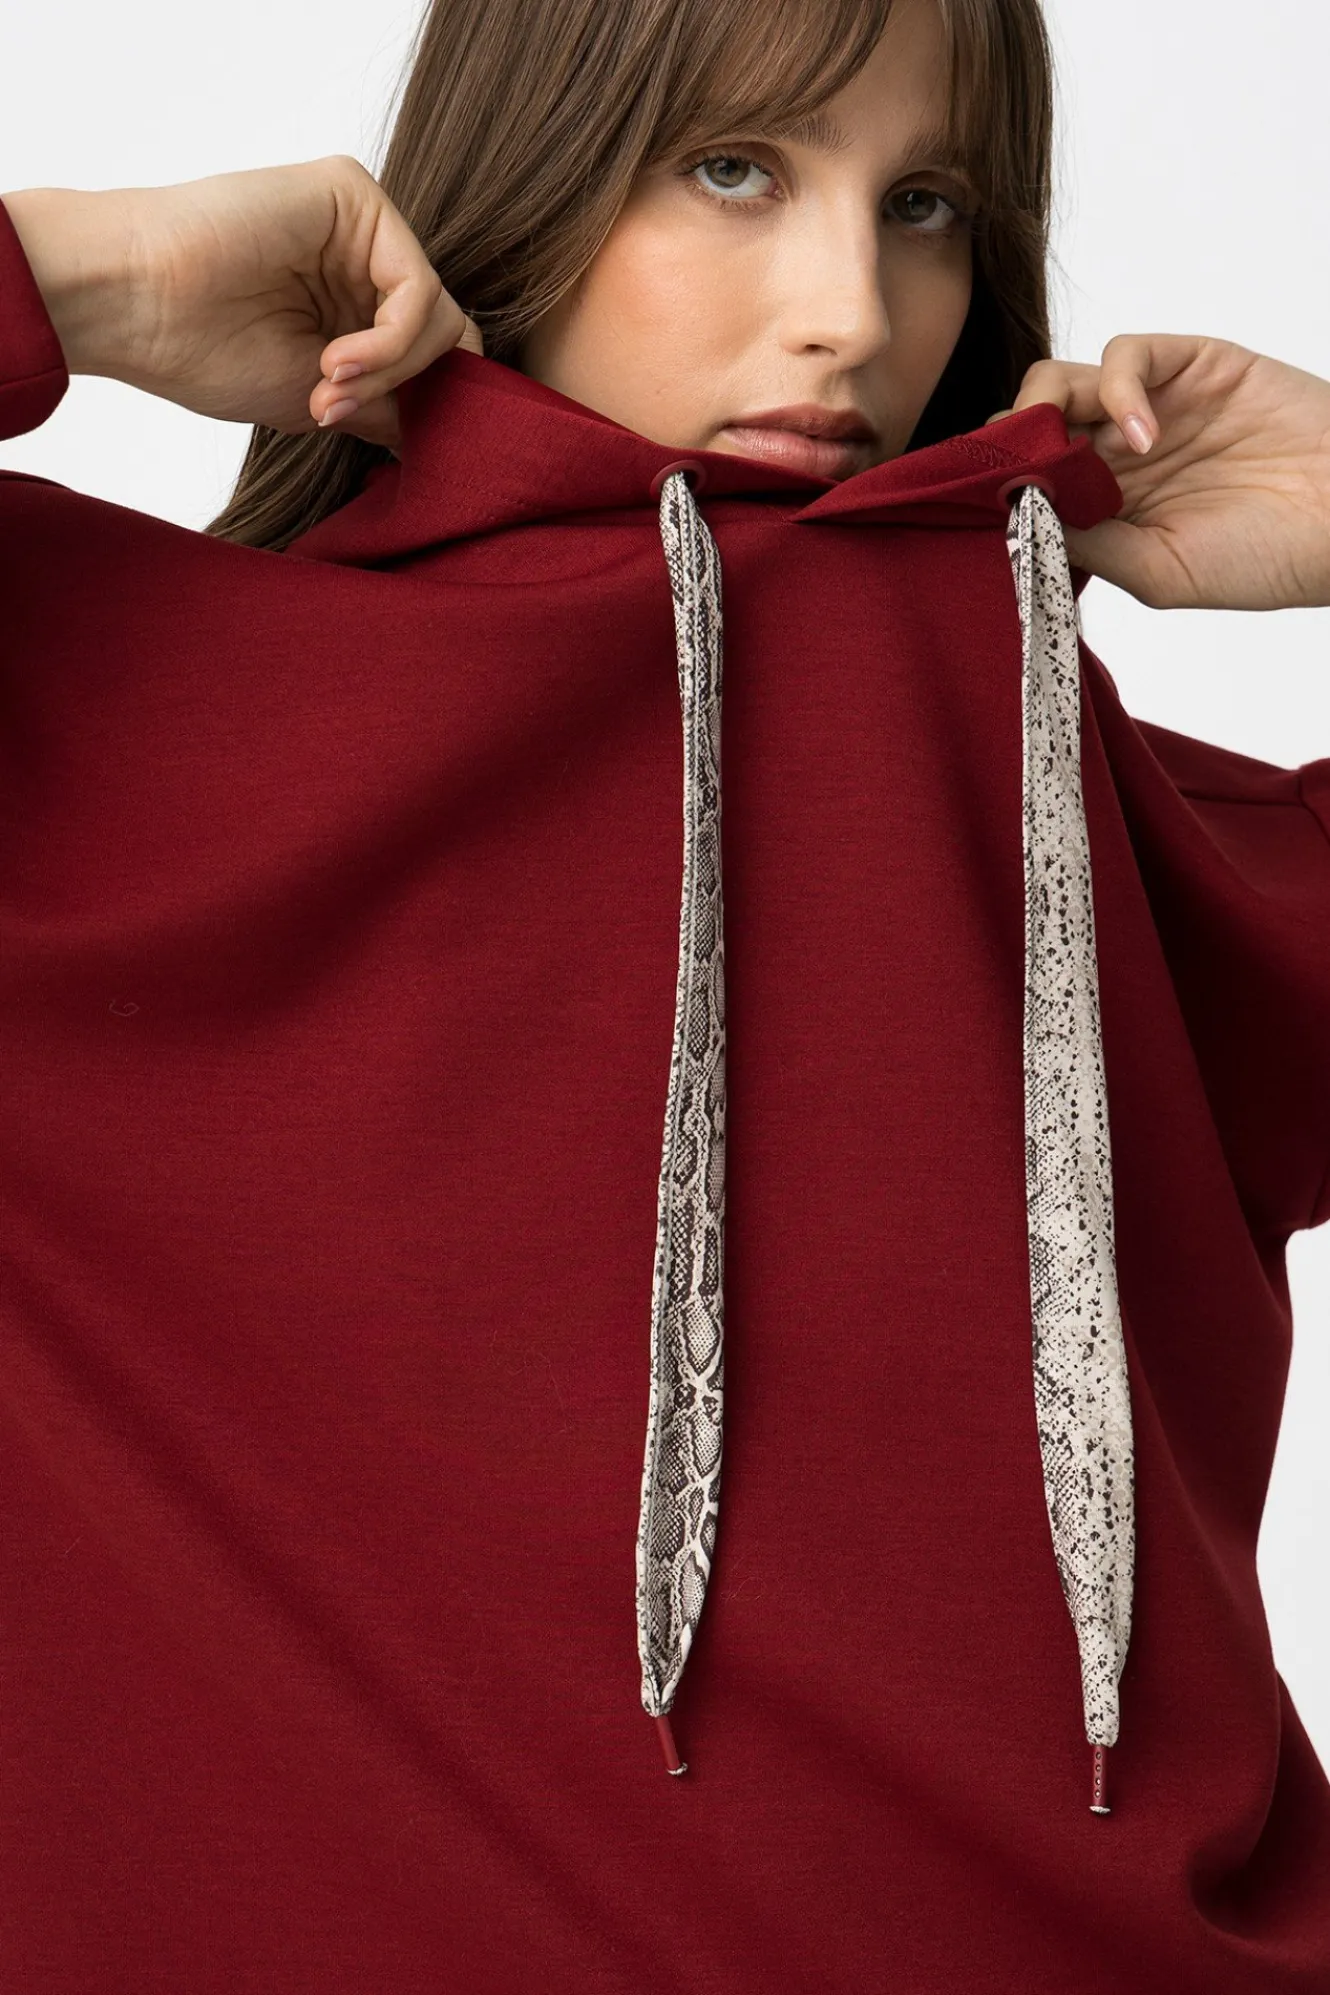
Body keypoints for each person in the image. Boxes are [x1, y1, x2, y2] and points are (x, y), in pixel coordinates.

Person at [2, 0, 1328, 1986]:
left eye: (925, 206)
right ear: (527, 175)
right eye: (730, 171)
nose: (850, 316)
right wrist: (79, 278)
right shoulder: (113, 727)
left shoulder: (1034, 760)